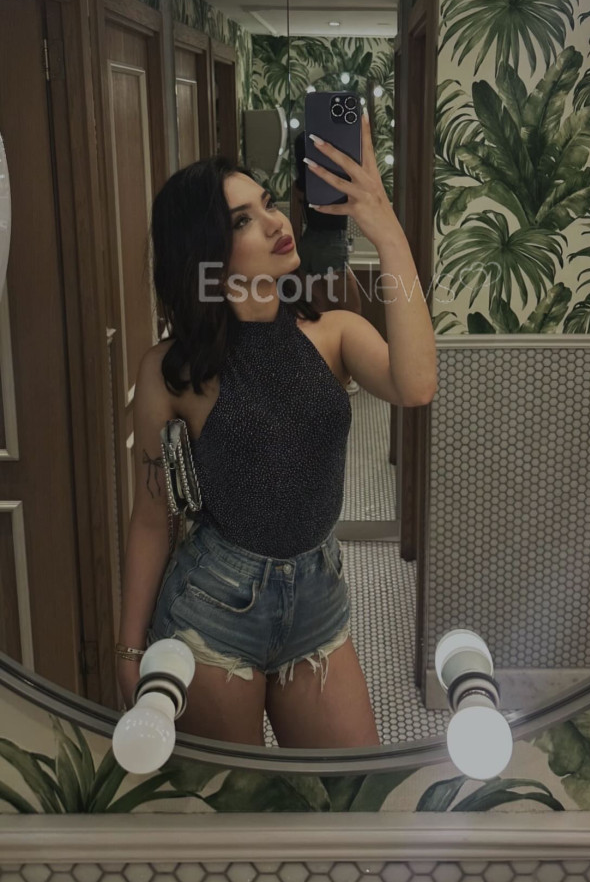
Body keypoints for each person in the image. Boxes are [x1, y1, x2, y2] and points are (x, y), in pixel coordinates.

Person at [116, 112, 437, 748]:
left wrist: (385, 228)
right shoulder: (172, 371)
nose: (274, 223)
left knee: (352, 791)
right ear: (205, 255)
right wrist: (129, 649)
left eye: (267, 203)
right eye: (242, 221)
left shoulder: (333, 332)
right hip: (212, 611)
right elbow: (153, 519)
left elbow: (417, 384)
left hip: (318, 598)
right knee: (240, 801)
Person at [292, 128, 363, 393]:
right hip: (332, 245)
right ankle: (347, 376)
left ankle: (327, 375)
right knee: (352, 314)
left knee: (320, 317)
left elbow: (295, 224)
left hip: (308, 246)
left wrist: (295, 260)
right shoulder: (335, 180)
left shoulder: (300, 185)